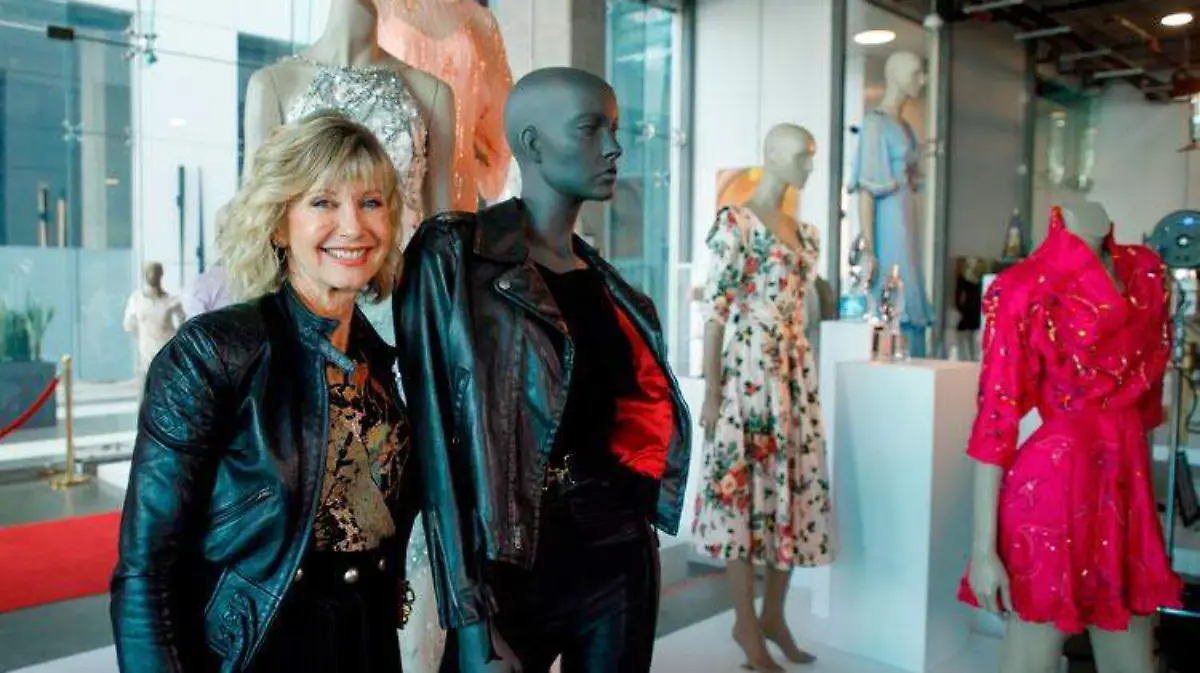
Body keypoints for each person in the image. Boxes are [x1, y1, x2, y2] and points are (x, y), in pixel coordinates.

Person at [396, 67, 692, 673]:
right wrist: (470, 622)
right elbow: (436, 452)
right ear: (531, 142)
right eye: (590, 129)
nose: (614, 147)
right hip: (509, 562)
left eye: (615, 129)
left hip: (616, 549)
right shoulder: (456, 258)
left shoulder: (617, 292)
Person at [110, 110, 418, 673]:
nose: (353, 226)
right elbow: (144, 571)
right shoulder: (215, 352)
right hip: (260, 647)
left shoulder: (381, 362)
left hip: (368, 639)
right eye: (323, 202)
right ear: (280, 225)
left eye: (371, 202)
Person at [122, 261, 185, 379]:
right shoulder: (137, 299)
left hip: (166, 348)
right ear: (145, 276)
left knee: (167, 380)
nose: (152, 275)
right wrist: (141, 335)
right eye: (149, 272)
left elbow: (182, 320)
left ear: (161, 275)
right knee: (149, 381)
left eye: (155, 272)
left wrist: (175, 338)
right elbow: (128, 325)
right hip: (147, 350)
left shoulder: (171, 300)